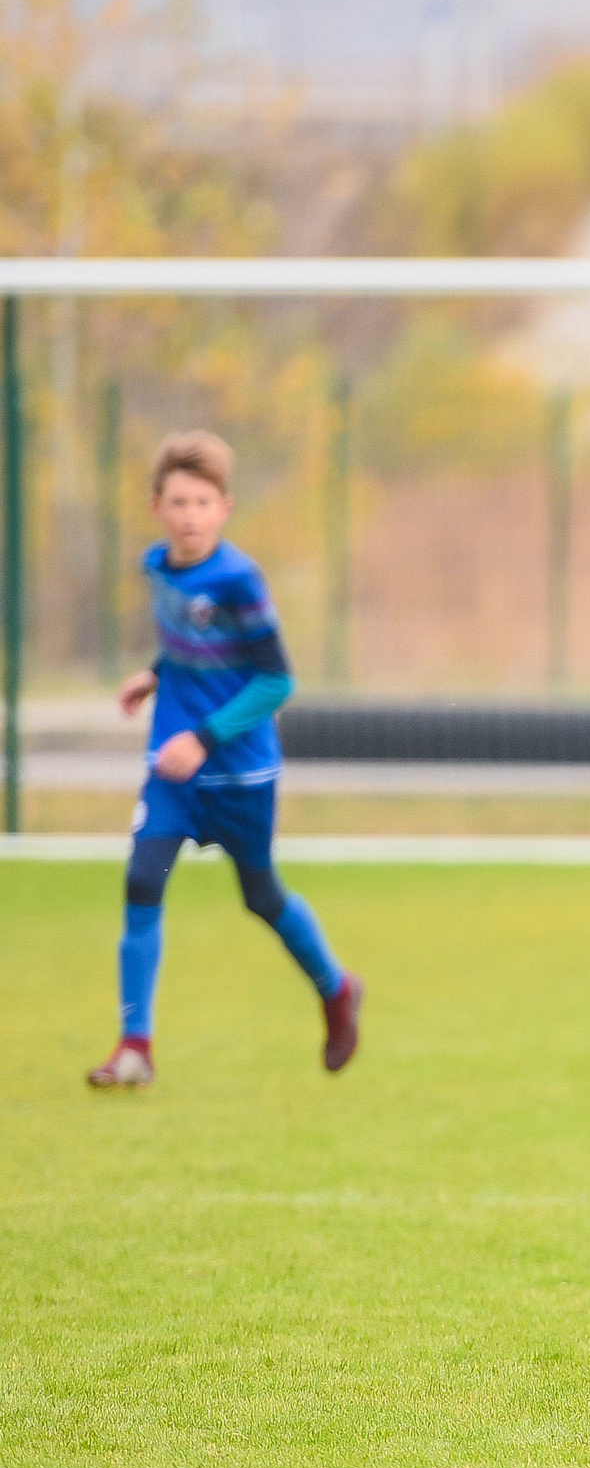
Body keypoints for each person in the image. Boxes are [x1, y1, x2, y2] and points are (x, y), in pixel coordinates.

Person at [89, 432, 363, 1089]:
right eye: (178, 500)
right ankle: (135, 1046)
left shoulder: (239, 580)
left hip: (238, 770)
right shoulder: (156, 567)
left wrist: (204, 738)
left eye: (202, 501)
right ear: (156, 505)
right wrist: (154, 675)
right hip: (174, 770)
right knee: (142, 882)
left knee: (261, 896)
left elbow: (274, 681)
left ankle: (336, 987)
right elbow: (193, 643)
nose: (189, 514)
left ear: (225, 508)